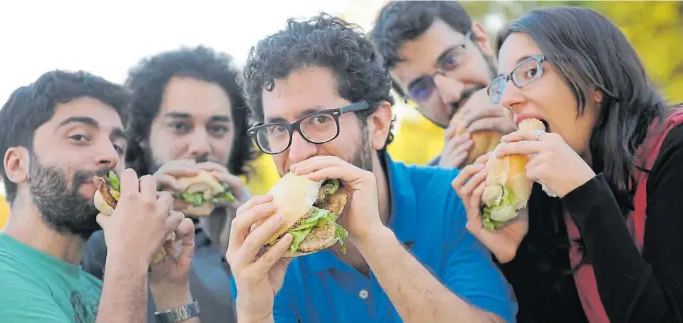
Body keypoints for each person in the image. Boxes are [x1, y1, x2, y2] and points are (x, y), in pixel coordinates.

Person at [226, 13, 517, 323]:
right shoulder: (265, 251)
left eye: (320, 120)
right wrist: (255, 313)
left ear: (377, 124)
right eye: (278, 129)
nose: (296, 154)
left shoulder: (454, 196)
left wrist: (373, 238)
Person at [452, 6, 683, 323]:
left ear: (594, 79)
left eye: (529, 72)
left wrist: (586, 195)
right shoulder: (550, 193)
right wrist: (517, 255)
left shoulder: (675, 151)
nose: (507, 99)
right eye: (503, 84)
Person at [0, 70, 200, 323]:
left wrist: (172, 290)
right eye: (79, 137)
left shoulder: (97, 288)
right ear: (17, 164)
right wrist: (130, 257)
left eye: (118, 146)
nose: (111, 156)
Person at [82, 46, 256, 323]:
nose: (201, 147)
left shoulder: (264, 226)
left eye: (218, 128)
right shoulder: (100, 238)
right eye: (180, 126)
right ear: (140, 135)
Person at [370, 1, 515, 169]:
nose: (452, 95)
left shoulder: (551, 102)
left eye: (451, 60)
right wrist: (445, 187)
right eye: (422, 88)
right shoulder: (434, 185)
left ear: (481, 41)